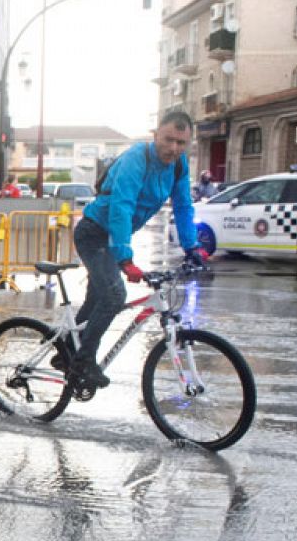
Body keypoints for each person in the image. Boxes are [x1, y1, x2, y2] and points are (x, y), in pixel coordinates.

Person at [67, 110, 199, 389]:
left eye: (181, 143)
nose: (174, 148)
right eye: (168, 139)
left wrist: (193, 247)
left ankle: (66, 351)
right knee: (114, 294)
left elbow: (184, 205)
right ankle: (83, 362)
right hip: (94, 233)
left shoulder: (178, 165)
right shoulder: (136, 159)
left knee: (97, 299)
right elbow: (122, 206)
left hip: (115, 236)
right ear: (155, 134)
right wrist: (124, 257)